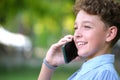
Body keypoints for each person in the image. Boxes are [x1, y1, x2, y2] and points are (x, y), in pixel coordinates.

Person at [38, 0, 120, 80]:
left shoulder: (104, 74)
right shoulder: (89, 71)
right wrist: (49, 64)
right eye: (76, 28)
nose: (77, 34)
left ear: (110, 34)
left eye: (87, 27)